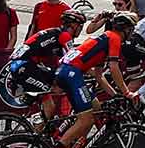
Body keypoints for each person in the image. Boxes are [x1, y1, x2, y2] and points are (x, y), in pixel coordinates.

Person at [55, 13, 137, 148]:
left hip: (66, 71)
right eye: (131, 30)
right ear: (126, 29)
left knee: (96, 108)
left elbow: (99, 76)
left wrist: (116, 95)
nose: (132, 33)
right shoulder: (115, 37)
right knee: (86, 119)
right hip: (72, 74)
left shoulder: (105, 39)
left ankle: (79, 143)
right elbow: (114, 67)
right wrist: (127, 93)